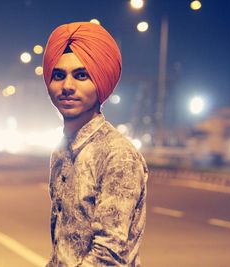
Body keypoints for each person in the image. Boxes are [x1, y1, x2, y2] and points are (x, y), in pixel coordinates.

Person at [42, 22, 148, 267]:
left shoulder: (118, 155)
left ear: (100, 82)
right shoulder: (61, 152)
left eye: (81, 75)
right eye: (59, 75)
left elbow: (108, 255)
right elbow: (62, 250)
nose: (67, 86)